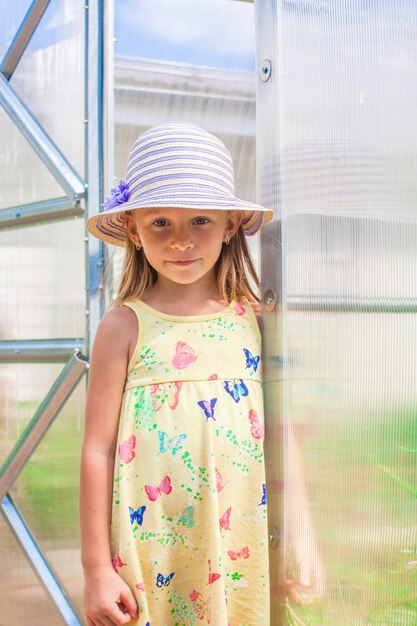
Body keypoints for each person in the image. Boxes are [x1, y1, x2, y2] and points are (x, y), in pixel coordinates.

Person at [79, 121, 273, 626]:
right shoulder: (123, 326)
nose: (181, 241)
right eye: (160, 222)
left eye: (201, 220)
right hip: (148, 552)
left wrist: (305, 538)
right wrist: (96, 567)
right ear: (134, 232)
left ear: (230, 224)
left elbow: (286, 436)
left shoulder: (251, 320)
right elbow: (96, 450)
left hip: (236, 550)